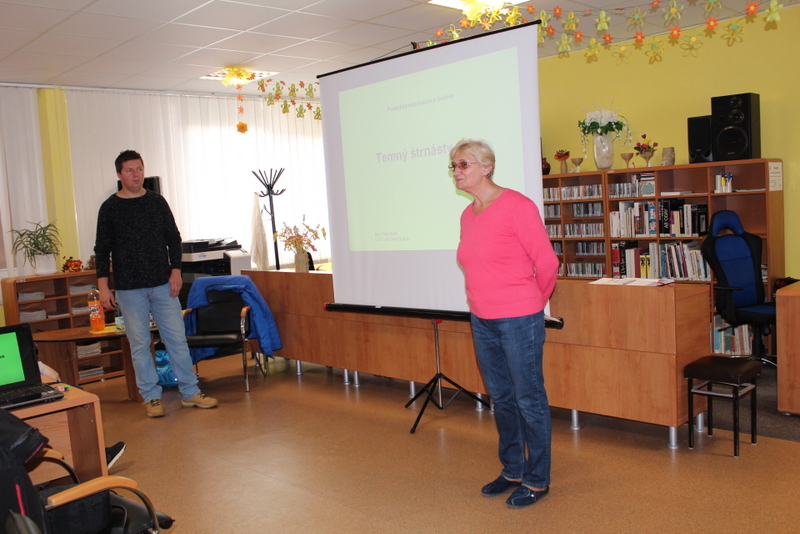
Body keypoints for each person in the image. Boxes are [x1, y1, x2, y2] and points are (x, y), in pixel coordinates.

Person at [452, 139, 559, 509]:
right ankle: (513, 469)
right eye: (453, 165)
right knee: (501, 398)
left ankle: (537, 479)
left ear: (487, 167)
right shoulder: (468, 215)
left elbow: (548, 264)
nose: (456, 171)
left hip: (518, 318)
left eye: (463, 164)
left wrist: (533, 305)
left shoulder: (517, 206)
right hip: (482, 318)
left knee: (529, 398)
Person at [95, 150, 218, 418]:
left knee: (177, 340)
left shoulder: (156, 202)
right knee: (140, 345)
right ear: (119, 174)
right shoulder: (110, 208)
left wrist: (176, 271)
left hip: (163, 285)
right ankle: (151, 397)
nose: (136, 175)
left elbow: (173, 239)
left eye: (139, 169)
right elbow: (102, 250)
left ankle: (190, 392)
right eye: (129, 170)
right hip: (129, 289)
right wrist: (103, 287)